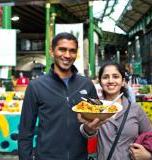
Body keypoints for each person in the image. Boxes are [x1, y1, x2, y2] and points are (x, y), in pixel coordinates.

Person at [18, 32, 99, 160]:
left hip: (79, 157)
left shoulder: (87, 85)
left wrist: (91, 129)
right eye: (62, 49)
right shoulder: (36, 86)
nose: (67, 55)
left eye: (72, 51)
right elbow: (25, 131)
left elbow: (96, 121)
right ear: (52, 51)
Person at [78, 62, 152, 160]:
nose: (110, 81)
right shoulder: (94, 109)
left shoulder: (136, 110)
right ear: (100, 82)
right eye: (105, 77)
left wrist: (149, 155)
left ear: (123, 81)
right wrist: (88, 128)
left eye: (115, 76)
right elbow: (86, 132)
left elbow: (151, 138)